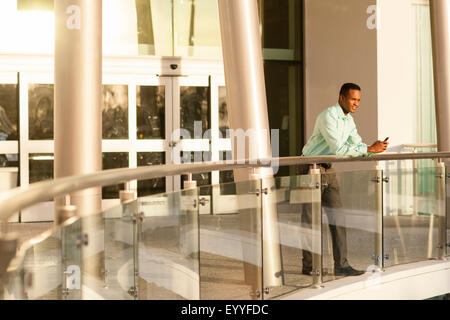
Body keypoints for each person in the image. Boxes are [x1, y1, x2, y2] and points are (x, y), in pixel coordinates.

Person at [299, 83, 388, 277]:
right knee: (310, 220)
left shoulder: (349, 121)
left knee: (338, 217)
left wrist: (374, 148)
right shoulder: (328, 116)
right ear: (341, 98)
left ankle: (341, 265)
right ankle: (309, 265)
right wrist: (368, 149)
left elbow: (357, 145)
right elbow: (339, 149)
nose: (356, 104)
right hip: (311, 168)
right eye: (353, 99)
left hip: (329, 169)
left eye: (358, 101)